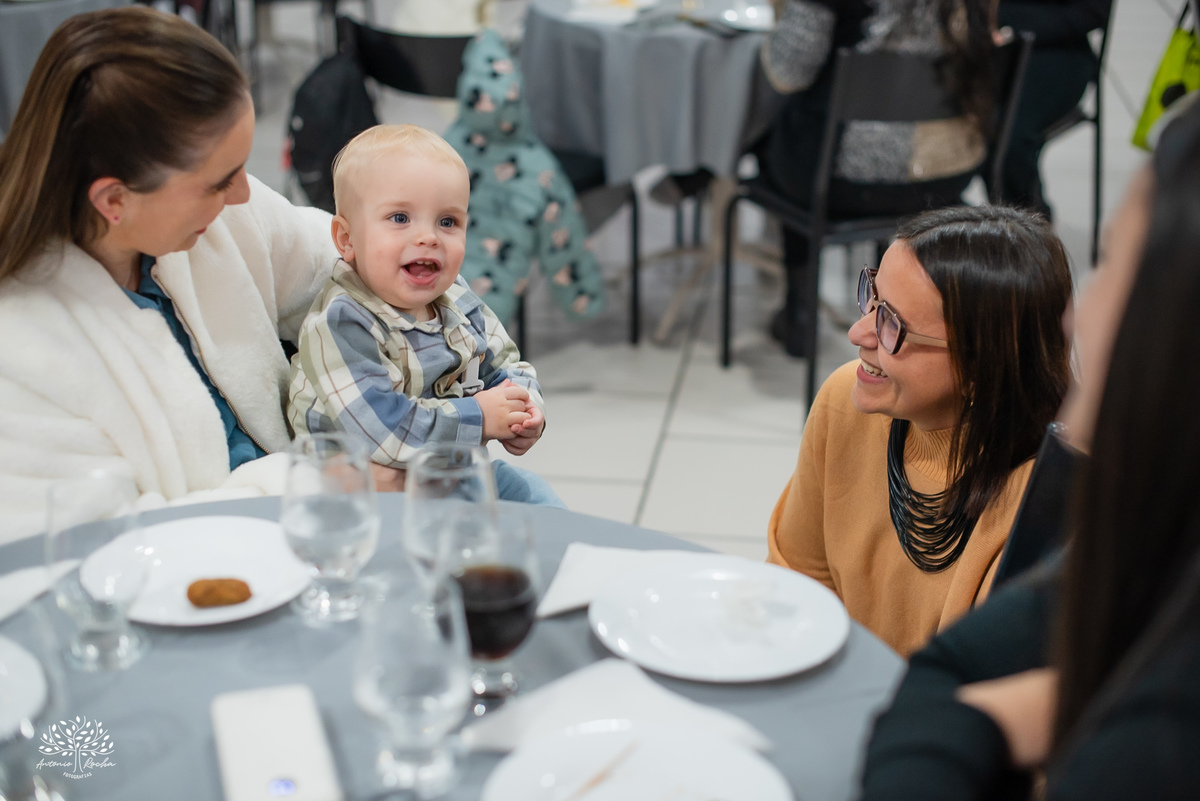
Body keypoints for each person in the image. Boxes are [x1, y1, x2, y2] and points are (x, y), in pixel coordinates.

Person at [859, 102, 1200, 800]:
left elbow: (942, 688)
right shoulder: (1152, 556)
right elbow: (950, 669)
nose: (1079, 312)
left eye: (1114, 266)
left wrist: (977, 721)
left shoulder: (1159, 741)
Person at [0, 7, 341, 544]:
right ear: (114, 199)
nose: (244, 196)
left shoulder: (219, 217)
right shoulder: (21, 351)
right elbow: (109, 546)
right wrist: (322, 479)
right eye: (220, 181)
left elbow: (335, 255)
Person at [767, 205, 1072, 656]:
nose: (858, 332)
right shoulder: (846, 402)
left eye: (892, 324)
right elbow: (795, 577)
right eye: (872, 298)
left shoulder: (1043, 495)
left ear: (980, 365)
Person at [287, 125, 560, 505]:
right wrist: (479, 417)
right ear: (347, 240)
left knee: (539, 501)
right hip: (360, 494)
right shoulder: (340, 323)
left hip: (448, 473)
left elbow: (506, 365)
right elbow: (385, 431)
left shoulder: (456, 297)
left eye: (448, 222)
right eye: (400, 218)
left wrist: (525, 411)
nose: (429, 237)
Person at [758, 0, 995, 355]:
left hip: (842, 180)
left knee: (778, 138)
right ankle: (902, 311)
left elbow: (787, 70)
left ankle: (800, 314)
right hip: (946, 174)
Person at [994, 0, 1112, 217]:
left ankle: (1029, 225)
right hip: (993, 50)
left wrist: (1008, 22)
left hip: (1058, 51)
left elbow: (1093, 12)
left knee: (1008, 140)